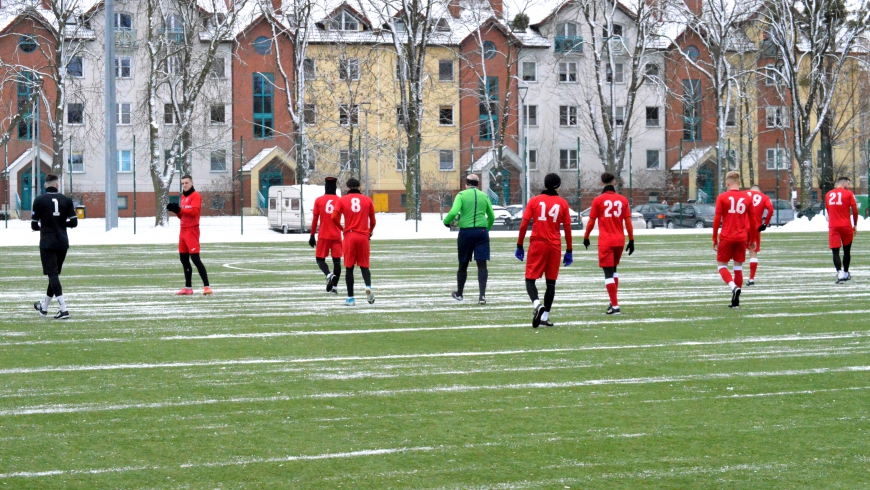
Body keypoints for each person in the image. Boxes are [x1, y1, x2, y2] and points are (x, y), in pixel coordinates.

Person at [515, 173, 573, 327]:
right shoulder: (562, 203)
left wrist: (519, 245)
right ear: (558, 186)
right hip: (554, 246)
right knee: (551, 283)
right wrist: (569, 250)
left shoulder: (534, 201)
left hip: (538, 244)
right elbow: (567, 228)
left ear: (545, 184)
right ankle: (545, 316)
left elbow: (523, 224)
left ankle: (537, 305)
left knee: (530, 279)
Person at [583, 172, 634, 315]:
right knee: (614, 270)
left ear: (601, 184)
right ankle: (612, 302)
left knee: (608, 273)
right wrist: (631, 240)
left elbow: (592, 221)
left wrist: (586, 236)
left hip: (606, 241)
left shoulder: (598, 200)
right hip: (619, 240)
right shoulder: (622, 200)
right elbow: (628, 222)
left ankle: (615, 306)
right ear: (614, 183)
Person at [442, 174, 495, 305]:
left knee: (463, 264)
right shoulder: (484, 196)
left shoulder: (461, 195)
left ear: (466, 184)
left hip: (466, 232)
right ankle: (482, 296)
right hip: (481, 232)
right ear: (478, 184)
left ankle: (460, 293)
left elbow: (454, 212)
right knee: (482, 265)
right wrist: (486, 229)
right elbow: (492, 216)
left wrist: (446, 221)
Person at [31, 173, 77, 320]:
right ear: (57, 184)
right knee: (54, 275)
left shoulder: (39, 200)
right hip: (62, 242)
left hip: (47, 242)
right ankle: (44, 308)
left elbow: (33, 224)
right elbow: (74, 223)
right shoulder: (66, 200)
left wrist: (45, 226)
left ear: (46, 185)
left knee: (53, 275)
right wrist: (61, 224)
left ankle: (63, 309)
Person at [713, 171, 758, 308]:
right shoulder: (747, 198)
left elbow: (716, 219)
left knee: (721, 265)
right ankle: (736, 302)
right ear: (739, 183)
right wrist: (752, 239)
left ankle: (733, 287)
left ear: (727, 183)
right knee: (738, 267)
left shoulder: (722, 197)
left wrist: (714, 237)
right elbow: (753, 220)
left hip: (727, 236)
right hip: (741, 237)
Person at [331, 178, 376, 306]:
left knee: (349, 267)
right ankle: (368, 286)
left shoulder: (342, 200)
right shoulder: (367, 200)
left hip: (350, 235)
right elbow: (373, 221)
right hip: (363, 236)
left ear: (347, 188)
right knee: (364, 266)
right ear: (360, 187)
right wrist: (370, 231)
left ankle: (351, 298)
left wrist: (341, 228)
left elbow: (333, 217)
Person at [167, 175, 212, 295]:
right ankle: (188, 288)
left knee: (195, 259)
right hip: (183, 231)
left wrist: (180, 210)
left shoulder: (195, 195)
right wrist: (176, 211)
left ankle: (207, 287)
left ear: (192, 183)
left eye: (186, 183)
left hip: (192, 230)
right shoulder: (183, 197)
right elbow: (183, 216)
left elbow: (194, 212)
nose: (184, 185)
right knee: (184, 260)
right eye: (182, 183)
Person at [309, 177, 342, 293]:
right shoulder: (340, 200)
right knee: (337, 261)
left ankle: (329, 275)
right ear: (335, 187)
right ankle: (334, 287)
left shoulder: (319, 200)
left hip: (323, 235)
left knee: (319, 259)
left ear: (325, 187)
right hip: (337, 235)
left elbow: (315, 219)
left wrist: (312, 235)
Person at [825, 176, 859, 284]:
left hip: (833, 226)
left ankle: (839, 273)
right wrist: (855, 224)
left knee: (835, 251)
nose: (849, 186)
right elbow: (855, 210)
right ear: (843, 184)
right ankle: (845, 272)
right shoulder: (849, 194)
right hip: (846, 225)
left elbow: (828, 210)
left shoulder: (828, 194)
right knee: (847, 250)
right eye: (848, 184)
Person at [745, 185, 774, 286]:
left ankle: (736, 279)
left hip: (742, 227)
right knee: (753, 253)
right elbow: (771, 209)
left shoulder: (744, 194)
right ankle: (751, 279)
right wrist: (765, 224)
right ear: (759, 191)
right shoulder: (764, 197)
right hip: (755, 228)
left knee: (737, 252)